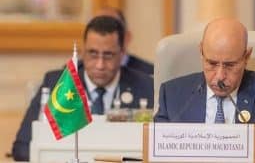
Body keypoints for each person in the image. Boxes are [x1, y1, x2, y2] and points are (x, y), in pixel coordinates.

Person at [154, 18, 255, 163]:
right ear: (201, 52)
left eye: (230, 65)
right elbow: (156, 150)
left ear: (246, 56)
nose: (220, 76)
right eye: (212, 63)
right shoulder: (172, 94)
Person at [12, 16, 154, 161]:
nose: (100, 65)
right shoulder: (57, 83)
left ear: (122, 53)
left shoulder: (146, 86)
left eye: (108, 55)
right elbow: (22, 148)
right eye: (92, 53)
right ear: (83, 51)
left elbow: (156, 149)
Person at [96, 6, 154, 75]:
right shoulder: (80, 71)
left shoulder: (150, 74)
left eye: (110, 29)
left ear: (127, 37)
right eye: (96, 29)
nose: (103, 37)